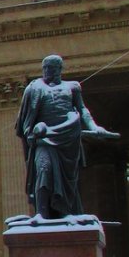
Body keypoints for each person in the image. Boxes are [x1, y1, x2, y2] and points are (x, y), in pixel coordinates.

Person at [16, 55, 116, 219]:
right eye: (45, 68)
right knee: (43, 170)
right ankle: (41, 213)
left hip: (67, 139)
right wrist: (33, 131)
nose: (47, 71)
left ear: (59, 69)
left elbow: (82, 110)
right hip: (44, 138)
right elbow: (25, 119)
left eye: (51, 68)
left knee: (66, 180)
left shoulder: (72, 87)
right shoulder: (34, 88)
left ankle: (65, 213)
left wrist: (93, 127)